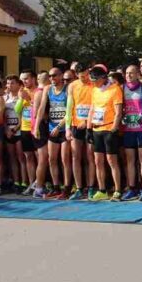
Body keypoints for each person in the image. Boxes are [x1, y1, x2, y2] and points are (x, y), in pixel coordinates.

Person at [88, 64, 124, 201]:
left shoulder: (115, 89)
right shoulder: (95, 90)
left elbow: (118, 112)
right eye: (91, 81)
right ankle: (102, 189)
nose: (94, 83)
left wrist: (114, 129)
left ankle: (118, 190)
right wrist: (89, 128)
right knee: (98, 161)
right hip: (97, 128)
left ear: (103, 78)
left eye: (95, 80)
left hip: (109, 129)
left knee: (111, 160)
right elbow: (92, 109)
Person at [35, 68, 69, 199]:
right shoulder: (48, 89)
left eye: (54, 76)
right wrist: (36, 126)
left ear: (61, 76)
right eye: (50, 76)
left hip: (64, 128)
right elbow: (41, 108)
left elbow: (70, 110)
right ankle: (56, 187)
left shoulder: (68, 88)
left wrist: (60, 126)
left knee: (65, 159)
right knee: (51, 159)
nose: (52, 78)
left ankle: (66, 188)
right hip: (51, 127)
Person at [65, 64, 94, 200]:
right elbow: (69, 107)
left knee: (90, 157)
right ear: (76, 75)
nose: (84, 78)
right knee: (75, 157)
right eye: (81, 76)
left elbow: (97, 105)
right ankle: (79, 187)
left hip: (90, 125)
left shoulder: (93, 84)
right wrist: (67, 127)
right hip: (76, 125)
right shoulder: (72, 86)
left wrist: (87, 121)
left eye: (86, 75)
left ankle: (91, 187)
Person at [121, 64, 142, 201]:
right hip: (128, 129)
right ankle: (132, 188)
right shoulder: (122, 88)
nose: (128, 75)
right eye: (126, 73)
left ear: (138, 74)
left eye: (131, 73)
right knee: (130, 160)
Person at [4, 75, 26, 194]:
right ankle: (16, 181)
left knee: (21, 158)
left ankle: (24, 182)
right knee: (12, 158)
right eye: (8, 83)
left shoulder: (21, 97)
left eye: (12, 83)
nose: (10, 85)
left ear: (18, 84)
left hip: (19, 131)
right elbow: (2, 117)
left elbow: (24, 116)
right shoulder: (4, 97)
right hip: (8, 131)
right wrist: (7, 129)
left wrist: (14, 129)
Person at [18, 70, 39, 196]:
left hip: (36, 128)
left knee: (39, 157)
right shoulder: (23, 92)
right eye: (22, 80)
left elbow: (38, 110)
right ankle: (31, 184)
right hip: (25, 128)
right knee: (28, 157)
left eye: (26, 79)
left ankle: (40, 182)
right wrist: (21, 99)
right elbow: (17, 110)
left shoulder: (38, 92)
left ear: (33, 78)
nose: (24, 82)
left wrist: (29, 99)